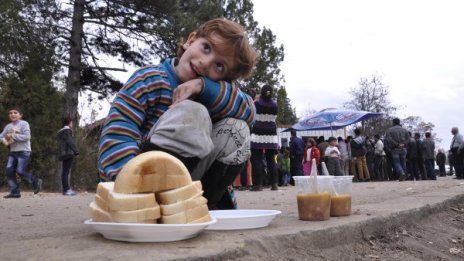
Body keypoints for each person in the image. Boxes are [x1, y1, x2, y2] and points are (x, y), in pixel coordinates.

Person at [98, 18, 257, 209]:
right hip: (139, 184)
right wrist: (125, 187)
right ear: (191, 40)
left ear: (223, 80)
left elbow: (250, 112)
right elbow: (118, 134)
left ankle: (202, 207)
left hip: (189, 189)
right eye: (206, 47)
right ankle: (147, 203)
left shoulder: (215, 97)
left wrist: (203, 87)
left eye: (219, 66)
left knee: (238, 129)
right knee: (193, 112)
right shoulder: (149, 79)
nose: (205, 62)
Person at [0, 108, 42, 198]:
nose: (12, 114)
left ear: (20, 115)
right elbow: (1, 136)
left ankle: (35, 181)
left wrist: (13, 136)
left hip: (24, 151)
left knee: (20, 171)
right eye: (10, 113)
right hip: (13, 152)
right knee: (9, 171)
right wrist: (5, 139)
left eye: (15, 112)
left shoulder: (24, 124)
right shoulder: (8, 126)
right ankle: (15, 192)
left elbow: (27, 137)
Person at [250, 84, 279, 191]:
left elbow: (252, 114)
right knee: (271, 160)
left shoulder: (256, 103)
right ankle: (274, 184)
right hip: (271, 132)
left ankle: (258, 185)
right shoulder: (275, 105)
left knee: (256, 159)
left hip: (258, 130)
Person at [57, 117, 80, 195]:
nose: (72, 124)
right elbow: (70, 141)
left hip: (63, 154)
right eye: (72, 122)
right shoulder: (67, 131)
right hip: (68, 153)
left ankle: (65, 190)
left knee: (64, 172)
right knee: (66, 172)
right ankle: (67, 190)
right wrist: (76, 151)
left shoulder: (61, 132)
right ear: (69, 122)